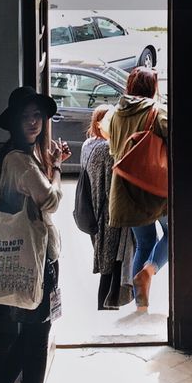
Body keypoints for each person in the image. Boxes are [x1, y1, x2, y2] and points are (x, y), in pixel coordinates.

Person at [0, 85, 70, 383]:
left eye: (38, 116)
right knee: (37, 340)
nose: (34, 122)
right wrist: (57, 169)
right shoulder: (18, 159)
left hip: (24, 258)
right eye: (27, 116)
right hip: (36, 261)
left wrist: (47, 163)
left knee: (25, 338)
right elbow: (49, 200)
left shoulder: (15, 156)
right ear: (14, 120)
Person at [106, 66, 169, 310]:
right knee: (174, 234)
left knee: (144, 242)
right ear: (154, 88)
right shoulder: (157, 112)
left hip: (126, 190)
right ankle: (149, 270)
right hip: (156, 188)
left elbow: (114, 151)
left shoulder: (115, 114)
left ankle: (140, 305)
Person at [76, 105, 136, 310]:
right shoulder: (106, 149)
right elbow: (113, 188)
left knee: (107, 267)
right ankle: (107, 311)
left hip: (91, 213)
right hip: (108, 216)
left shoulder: (87, 144)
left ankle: (107, 309)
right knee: (112, 267)